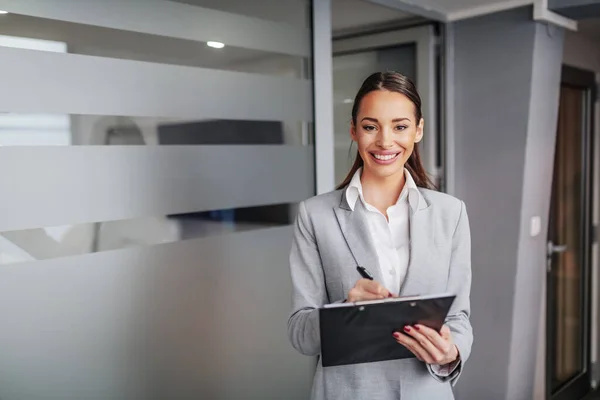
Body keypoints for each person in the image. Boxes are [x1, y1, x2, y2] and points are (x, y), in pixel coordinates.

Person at [287, 71, 472, 400]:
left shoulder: (451, 213)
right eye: (371, 126)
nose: (385, 141)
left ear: (418, 131)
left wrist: (451, 353)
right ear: (354, 132)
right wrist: (345, 311)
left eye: (400, 126)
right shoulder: (315, 216)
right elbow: (301, 333)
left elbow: (457, 316)